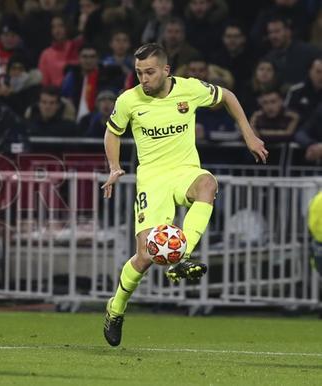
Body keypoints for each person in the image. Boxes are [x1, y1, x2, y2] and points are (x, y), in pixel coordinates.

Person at [100, 43, 268, 347]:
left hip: (184, 169)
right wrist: (114, 167)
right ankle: (116, 307)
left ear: (165, 70)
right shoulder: (128, 100)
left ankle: (182, 255)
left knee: (208, 184)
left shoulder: (189, 89)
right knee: (146, 255)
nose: (144, 79)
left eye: (149, 72)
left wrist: (249, 134)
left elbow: (227, 96)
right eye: (139, 73)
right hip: (152, 179)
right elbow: (113, 132)